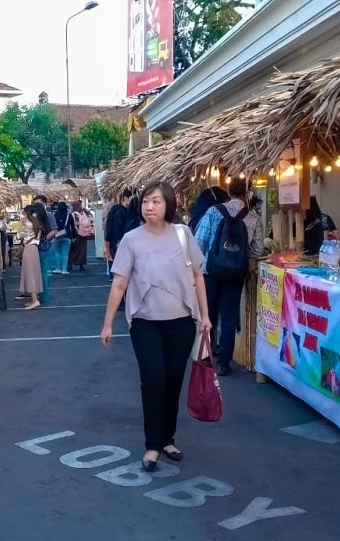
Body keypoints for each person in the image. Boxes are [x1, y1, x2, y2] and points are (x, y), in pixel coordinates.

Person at [100, 181, 212, 473]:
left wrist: (205, 316)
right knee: (153, 379)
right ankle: (152, 444)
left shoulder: (182, 234)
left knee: (173, 381)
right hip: (145, 323)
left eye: (157, 202)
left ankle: (167, 438)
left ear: (168, 206)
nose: (149, 206)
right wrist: (108, 323)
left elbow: (198, 276)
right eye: (146, 201)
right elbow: (120, 283)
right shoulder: (131, 240)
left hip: (181, 322)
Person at [195, 178, 265, 376]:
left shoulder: (213, 211)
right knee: (229, 317)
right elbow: (257, 249)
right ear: (247, 192)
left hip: (211, 272)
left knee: (209, 315)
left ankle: (206, 356)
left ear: (228, 191)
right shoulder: (252, 217)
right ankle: (223, 362)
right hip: (235, 273)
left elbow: (199, 242)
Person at [18, 205, 46, 310]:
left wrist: (21, 224)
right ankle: (33, 298)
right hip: (34, 248)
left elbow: (18, 236)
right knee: (34, 273)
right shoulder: (36, 223)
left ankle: (35, 300)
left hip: (28, 248)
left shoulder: (26, 224)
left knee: (29, 274)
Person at [104, 189, 133, 279]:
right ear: (126, 198)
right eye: (133, 199)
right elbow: (114, 232)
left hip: (117, 247)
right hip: (118, 247)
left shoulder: (118, 210)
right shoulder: (120, 212)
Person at [68, 200, 93, 272]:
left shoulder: (73, 214)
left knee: (72, 250)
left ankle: (70, 264)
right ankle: (81, 265)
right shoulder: (84, 213)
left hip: (76, 233)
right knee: (82, 250)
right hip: (84, 233)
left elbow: (72, 224)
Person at [50, 201, 73, 276]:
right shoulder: (68, 215)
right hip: (67, 235)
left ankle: (58, 268)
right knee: (65, 253)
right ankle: (64, 269)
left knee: (57, 252)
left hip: (56, 235)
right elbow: (72, 226)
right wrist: (74, 236)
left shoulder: (54, 215)